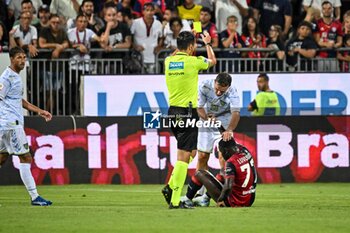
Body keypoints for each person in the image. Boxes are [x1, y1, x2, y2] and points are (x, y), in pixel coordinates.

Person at [161, 30, 216, 209]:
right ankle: (175, 200)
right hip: (187, 112)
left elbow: (177, 53)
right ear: (192, 47)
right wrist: (207, 43)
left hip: (172, 112)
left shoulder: (168, 61)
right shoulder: (193, 62)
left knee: (191, 152)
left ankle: (170, 186)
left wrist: (188, 40)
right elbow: (213, 62)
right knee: (183, 158)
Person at [0, 47, 53, 206]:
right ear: (11, 59)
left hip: (7, 124)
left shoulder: (16, 76)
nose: (23, 60)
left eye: (24, 57)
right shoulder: (7, 77)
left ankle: (35, 197)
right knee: (26, 157)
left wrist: (39, 111)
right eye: (19, 57)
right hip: (11, 124)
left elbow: (18, 100)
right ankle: (35, 197)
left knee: (2, 158)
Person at [180, 72, 241, 207]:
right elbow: (199, 107)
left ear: (228, 87)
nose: (218, 92)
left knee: (223, 158)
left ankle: (222, 194)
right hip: (207, 121)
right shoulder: (204, 86)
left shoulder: (233, 91)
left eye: (222, 91)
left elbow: (236, 113)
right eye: (217, 89)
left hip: (224, 124)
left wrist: (229, 130)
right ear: (215, 82)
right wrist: (207, 118)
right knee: (202, 157)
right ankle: (199, 194)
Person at [194, 138, 257, 208]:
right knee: (222, 174)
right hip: (250, 199)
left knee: (199, 173)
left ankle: (189, 198)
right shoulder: (244, 150)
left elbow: (228, 186)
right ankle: (205, 197)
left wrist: (221, 200)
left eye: (222, 152)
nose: (222, 155)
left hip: (235, 201)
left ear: (226, 151)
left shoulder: (231, 161)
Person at [314, 1, 343, 72]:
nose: (327, 10)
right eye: (324, 8)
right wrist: (327, 44)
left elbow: (340, 41)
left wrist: (334, 46)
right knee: (320, 80)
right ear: (322, 10)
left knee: (335, 81)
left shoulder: (338, 24)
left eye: (329, 8)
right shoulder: (317, 23)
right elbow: (317, 41)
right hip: (320, 57)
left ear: (332, 9)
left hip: (333, 57)